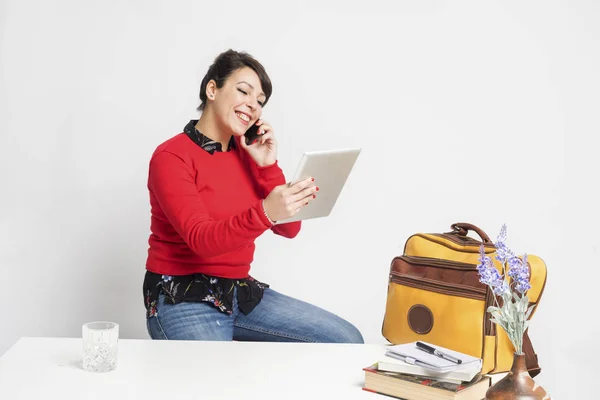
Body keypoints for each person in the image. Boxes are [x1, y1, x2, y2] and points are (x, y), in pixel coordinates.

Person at [142, 49, 364, 343]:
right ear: (212, 89)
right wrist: (265, 211)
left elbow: (289, 227)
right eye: (243, 91)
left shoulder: (248, 152)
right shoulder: (171, 157)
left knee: (346, 340)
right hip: (182, 298)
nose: (253, 106)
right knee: (213, 384)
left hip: (239, 292)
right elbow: (202, 240)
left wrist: (267, 165)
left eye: (260, 102)